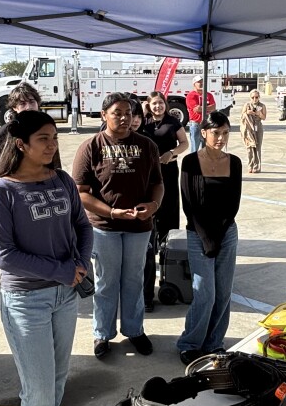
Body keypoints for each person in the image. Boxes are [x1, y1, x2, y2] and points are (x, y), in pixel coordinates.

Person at [0, 111, 93, 406]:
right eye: (43, 138)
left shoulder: (60, 179)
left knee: (57, 380)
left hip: (64, 296)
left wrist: (81, 263)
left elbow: (81, 225)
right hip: (26, 300)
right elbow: (3, 255)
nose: (52, 145)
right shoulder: (1, 192)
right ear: (21, 144)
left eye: (54, 138)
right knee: (39, 388)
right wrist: (62, 270)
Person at [72, 92, 163, 360]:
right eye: (117, 113)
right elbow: (81, 192)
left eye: (129, 113)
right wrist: (111, 212)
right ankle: (103, 333)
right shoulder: (91, 146)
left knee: (134, 279)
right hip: (104, 227)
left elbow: (158, 183)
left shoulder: (147, 146)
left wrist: (154, 206)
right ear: (104, 115)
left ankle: (134, 330)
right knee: (106, 281)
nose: (124, 118)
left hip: (139, 226)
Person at [176, 112, 242, 364]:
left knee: (223, 292)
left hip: (227, 232)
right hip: (198, 232)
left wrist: (220, 235)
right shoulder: (191, 162)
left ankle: (214, 343)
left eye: (225, 132)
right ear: (203, 133)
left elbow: (233, 205)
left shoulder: (234, 162)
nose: (221, 138)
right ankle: (189, 343)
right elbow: (189, 205)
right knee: (205, 292)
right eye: (216, 132)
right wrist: (206, 239)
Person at [137, 91, 188, 311]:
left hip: (167, 172)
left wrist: (172, 153)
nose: (158, 106)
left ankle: (167, 264)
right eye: (154, 103)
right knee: (150, 220)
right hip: (147, 177)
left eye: (161, 103)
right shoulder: (143, 123)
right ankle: (149, 261)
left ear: (165, 105)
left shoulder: (172, 121)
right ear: (148, 105)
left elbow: (185, 143)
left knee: (168, 215)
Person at [0, 83, 62, 171]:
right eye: (22, 104)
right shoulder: (6, 131)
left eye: (32, 102)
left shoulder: (47, 127)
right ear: (14, 107)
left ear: (37, 103)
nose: (28, 107)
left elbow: (54, 160)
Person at [184, 78, 216, 152]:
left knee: (206, 148)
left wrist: (201, 108)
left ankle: (204, 163)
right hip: (196, 124)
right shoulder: (191, 95)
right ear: (194, 84)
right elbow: (196, 109)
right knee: (195, 148)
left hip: (207, 124)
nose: (201, 83)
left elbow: (214, 107)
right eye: (198, 82)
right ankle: (194, 162)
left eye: (202, 82)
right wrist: (208, 108)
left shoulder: (209, 95)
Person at [241, 89, 267, 172]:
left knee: (258, 147)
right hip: (249, 128)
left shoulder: (262, 106)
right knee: (250, 147)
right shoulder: (247, 105)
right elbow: (242, 116)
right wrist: (248, 112)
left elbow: (264, 117)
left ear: (259, 97)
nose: (254, 99)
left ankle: (257, 166)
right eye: (253, 97)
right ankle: (250, 165)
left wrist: (259, 113)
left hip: (258, 127)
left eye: (256, 97)